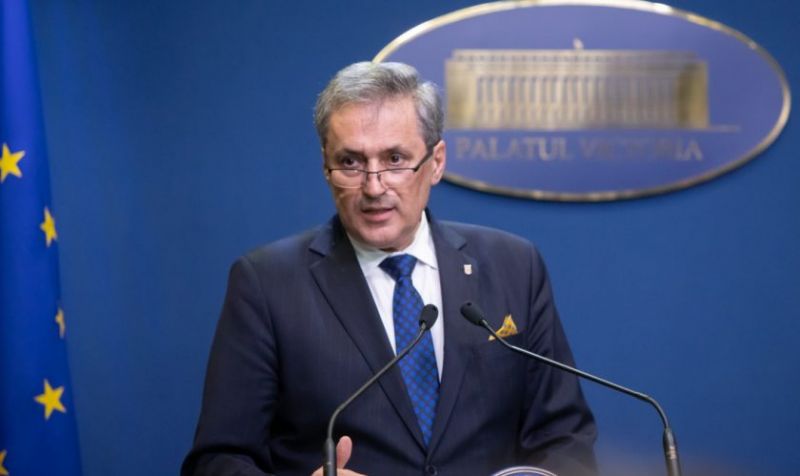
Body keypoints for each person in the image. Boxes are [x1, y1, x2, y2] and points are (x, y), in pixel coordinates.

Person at [182, 62, 597, 476]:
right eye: (351, 162)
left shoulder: (514, 266)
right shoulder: (267, 284)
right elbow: (216, 462)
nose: (374, 186)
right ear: (325, 166)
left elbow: (566, 440)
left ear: (436, 162)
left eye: (395, 159)